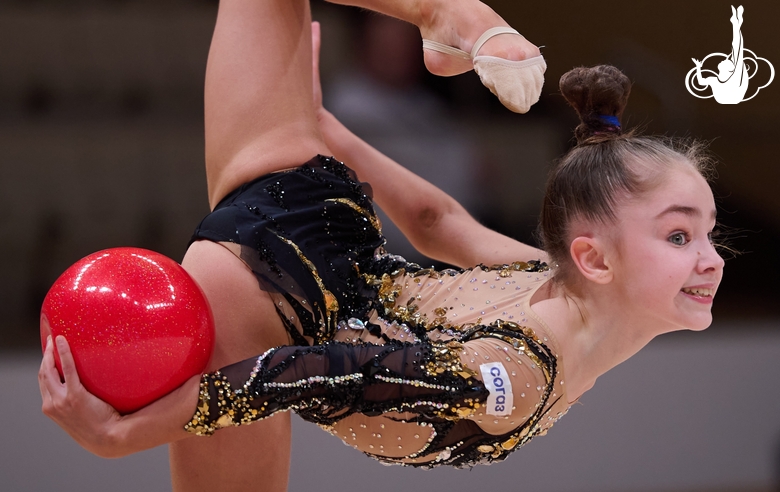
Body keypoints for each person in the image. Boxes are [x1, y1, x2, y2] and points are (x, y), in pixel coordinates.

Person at [38, 0, 724, 489]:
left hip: (315, 219)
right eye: (678, 234)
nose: (711, 258)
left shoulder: (547, 284)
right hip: (263, 308)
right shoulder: (514, 375)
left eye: (704, 232)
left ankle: (447, 16)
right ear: (594, 257)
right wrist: (131, 434)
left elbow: (437, 222)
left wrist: (322, 128)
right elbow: (314, 370)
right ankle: (451, 15)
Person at [692, 5, 748, 104]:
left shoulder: (725, 78)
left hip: (731, 97)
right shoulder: (717, 79)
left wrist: (698, 68)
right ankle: (736, 24)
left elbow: (737, 49)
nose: (725, 59)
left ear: (729, 69)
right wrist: (698, 67)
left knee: (737, 51)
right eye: (728, 60)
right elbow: (700, 82)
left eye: (727, 61)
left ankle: (736, 24)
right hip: (730, 97)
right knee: (737, 52)